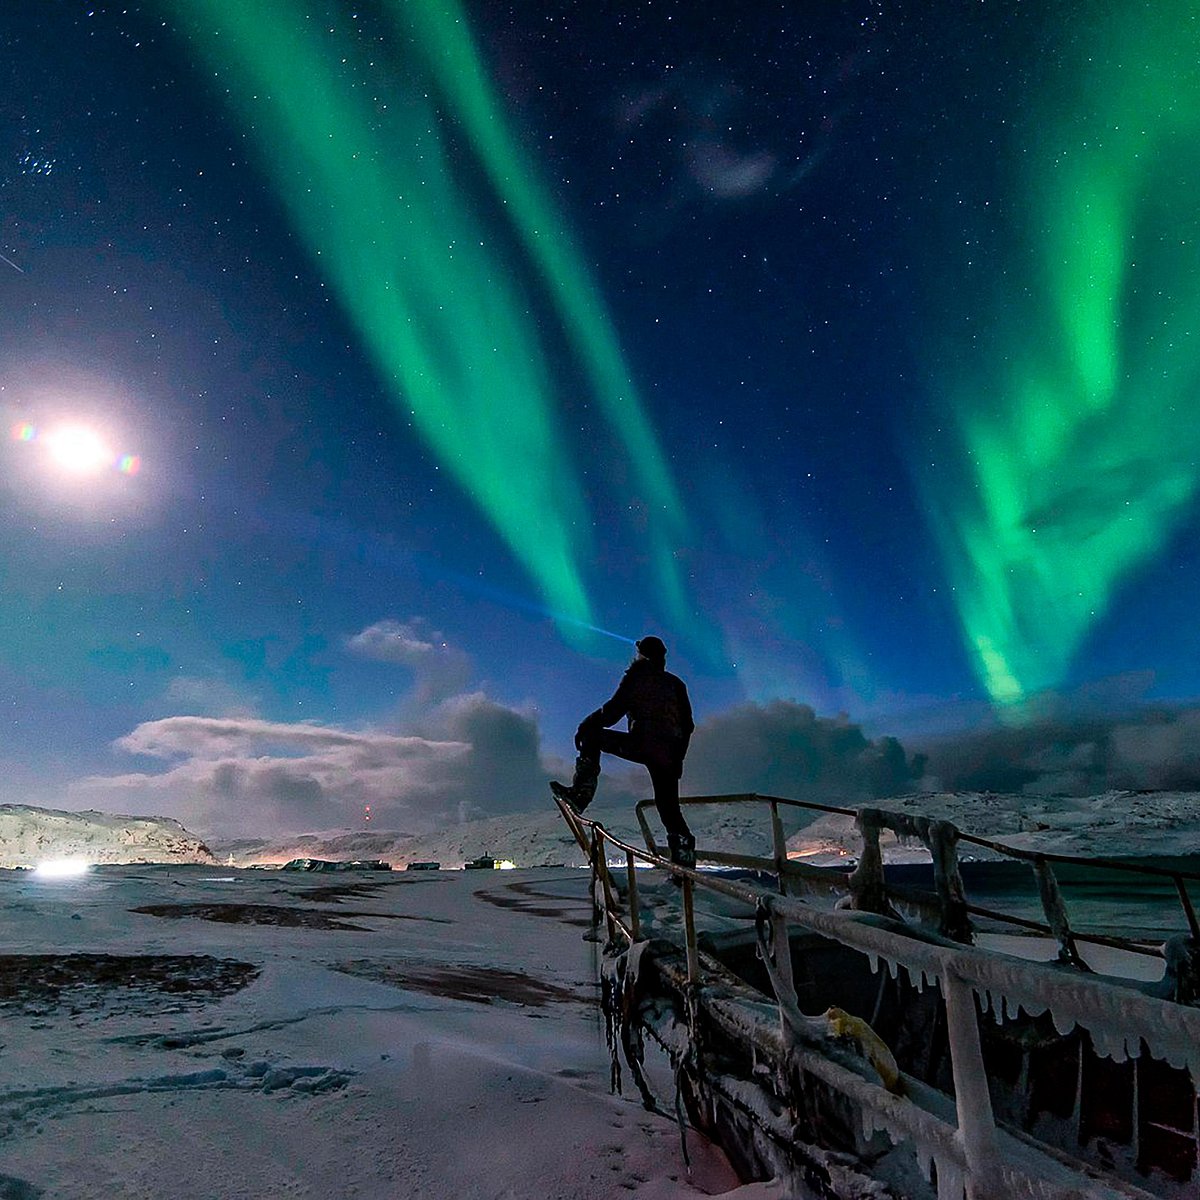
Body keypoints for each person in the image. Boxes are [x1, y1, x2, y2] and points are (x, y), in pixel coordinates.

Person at [551, 635, 696, 871]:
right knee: (669, 808)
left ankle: (581, 794)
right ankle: (685, 864)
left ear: (642, 654)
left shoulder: (638, 677)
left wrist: (585, 725)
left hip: (644, 744)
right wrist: (678, 757)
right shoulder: (677, 684)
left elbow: (611, 712)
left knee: (592, 737)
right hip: (670, 753)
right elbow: (688, 725)